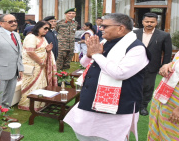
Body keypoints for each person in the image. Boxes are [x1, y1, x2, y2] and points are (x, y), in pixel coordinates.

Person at [64, 13, 150, 141]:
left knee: (109, 137)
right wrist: (89, 55)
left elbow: (120, 73)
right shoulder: (105, 41)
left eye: (104, 26)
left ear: (120, 28)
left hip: (117, 104)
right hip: (92, 97)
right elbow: (86, 64)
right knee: (85, 133)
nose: (101, 28)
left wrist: (97, 55)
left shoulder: (137, 48)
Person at [133, 12, 172, 116]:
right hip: (134, 65)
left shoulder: (164, 35)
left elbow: (167, 53)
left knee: (148, 86)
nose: (149, 24)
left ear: (156, 22)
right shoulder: (134, 34)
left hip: (152, 65)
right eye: (147, 21)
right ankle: (134, 105)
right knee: (134, 85)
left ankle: (143, 106)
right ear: (142, 22)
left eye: (152, 22)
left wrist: (164, 65)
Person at [18, 21, 57, 110]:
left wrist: (48, 50)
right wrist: (41, 62)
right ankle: (27, 105)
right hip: (32, 66)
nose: (47, 30)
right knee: (31, 86)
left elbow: (42, 50)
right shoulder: (31, 37)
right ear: (38, 27)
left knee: (40, 85)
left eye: (48, 29)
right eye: (45, 28)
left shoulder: (43, 38)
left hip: (41, 66)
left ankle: (40, 104)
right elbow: (30, 52)